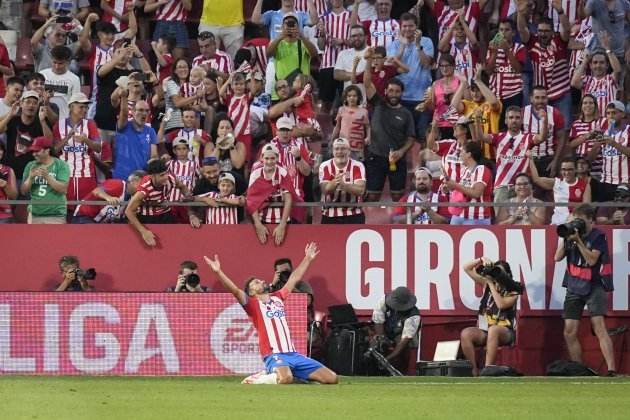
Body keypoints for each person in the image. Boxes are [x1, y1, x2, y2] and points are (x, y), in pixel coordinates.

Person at [204, 242, 338, 385]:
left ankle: (288, 375)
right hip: (274, 354)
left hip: (293, 354)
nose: (261, 281)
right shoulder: (252, 305)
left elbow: (294, 278)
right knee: (285, 379)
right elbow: (235, 290)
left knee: (332, 378)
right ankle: (257, 378)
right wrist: (218, 272)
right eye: (256, 282)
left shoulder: (278, 297)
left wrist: (307, 259)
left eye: (260, 280)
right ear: (251, 292)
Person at [554, 203, 617, 376]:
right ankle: (578, 368)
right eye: (576, 220)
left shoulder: (598, 236)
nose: (578, 224)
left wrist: (579, 241)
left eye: (581, 221)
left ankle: (611, 369)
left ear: (591, 221)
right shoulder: (572, 234)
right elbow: (557, 257)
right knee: (569, 331)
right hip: (574, 285)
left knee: (599, 327)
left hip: (594, 285)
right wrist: (565, 237)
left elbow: (591, 260)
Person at [461, 257, 522, 377]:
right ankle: (473, 371)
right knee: (466, 333)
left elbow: (501, 304)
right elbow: (466, 268)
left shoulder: (514, 290)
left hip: (505, 331)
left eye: (499, 273)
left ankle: (487, 370)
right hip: (486, 329)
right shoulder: (487, 284)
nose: (496, 277)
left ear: (507, 275)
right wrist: (481, 259)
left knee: (494, 329)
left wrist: (490, 284)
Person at [363, 69, 415, 202]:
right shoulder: (378, 104)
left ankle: (396, 223)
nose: (394, 94)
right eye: (391, 91)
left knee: (398, 196)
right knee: (372, 196)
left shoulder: (406, 113)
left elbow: (411, 138)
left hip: (397, 159)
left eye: (397, 91)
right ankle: (369, 223)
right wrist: (368, 61)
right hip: (375, 157)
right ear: (385, 91)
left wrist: (401, 152)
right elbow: (367, 83)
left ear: (402, 93)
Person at [477, 106, 546, 204]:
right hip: (502, 187)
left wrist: (544, 120)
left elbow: (542, 137)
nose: (514, 120)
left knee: (523, 219)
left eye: (517, 118)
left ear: (522, 120)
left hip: (522, 188)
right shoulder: (498, 137)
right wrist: (478, 119)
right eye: (511, 117)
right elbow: (481, 136)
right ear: (505, 120)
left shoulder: (527, 138)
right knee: (502, 219)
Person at [388, 13, 434, 141]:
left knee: (422, 134)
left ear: (416, 27)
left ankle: (422, 161)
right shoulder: (394, 44)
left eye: (411, 26)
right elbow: (392, 66)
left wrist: (418, 45)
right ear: (400, 27)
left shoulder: (426, 41)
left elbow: (426, 64)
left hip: (422, 98)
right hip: (401, 97)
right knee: (402, 136)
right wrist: (402, 45)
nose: (408, 29)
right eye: (405, 26)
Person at [52, 92, 101, 210]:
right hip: (65, 175)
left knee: (86, 209)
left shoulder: (90, 124)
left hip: (86, 174)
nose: (84, 110)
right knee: (65, 209)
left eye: (86, 107)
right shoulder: (59, 125)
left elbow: (98, 148)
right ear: (71, 107)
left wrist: (85, 140)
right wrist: (67, 138)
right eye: (81, 106)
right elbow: (54, 151)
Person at [125, 159, 190, 247]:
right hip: (147, 218)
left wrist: (187, 196)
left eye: (166, 173)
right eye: (161, 175)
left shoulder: (171, 178)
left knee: (171, 245)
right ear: (152, 176)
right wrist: (143, 231)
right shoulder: (144, 189)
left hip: (166, 214)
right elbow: (128, 211)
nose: (166, 177)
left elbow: (183, 187)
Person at [246, 144, 297, 245]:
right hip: (261, 219)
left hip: (282, 219)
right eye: (267, 158)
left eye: (272, 158)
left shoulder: (283, 173)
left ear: (277, 158)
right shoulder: (255, 174)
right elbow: (251, 201)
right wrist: (258, 224)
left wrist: (282, 225)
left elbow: (288, 199)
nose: (269, 162)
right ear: (262, 158)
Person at [0, 91, 53, 181]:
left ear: (38, 106)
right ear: (21, 103)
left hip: (32, 174)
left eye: (35, 103)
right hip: (11, 174)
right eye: (28, 102)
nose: (31, 105)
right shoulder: (13, 120)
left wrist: (43, 122)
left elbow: (49, 142)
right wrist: (10, 114)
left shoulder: (41, 120)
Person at [20, 137, 70, 224]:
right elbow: (23, 191)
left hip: (55, 214)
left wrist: (47, 177)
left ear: (47, 150)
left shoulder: (61, 165)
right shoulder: (31, 165)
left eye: (37, 151)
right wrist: (30, 178)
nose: (34, 154)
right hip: (34, 213)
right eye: (33, 151)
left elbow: (63, 189)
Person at [485, 18, 526, 126]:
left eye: (506, 30)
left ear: (513, 33)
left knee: (513, 126)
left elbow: (518, 69)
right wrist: (494, 52)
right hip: (495, 97)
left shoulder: (519, 48)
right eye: (501, 30)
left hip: (513, 95)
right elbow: (488, 71)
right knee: (496, 127)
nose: (503, 33)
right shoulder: (492, 47)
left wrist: (507, 50)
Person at [588, 101, 630, 202]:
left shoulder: (628, 131)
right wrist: (597, 144)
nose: (611, 116)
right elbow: (590, 159)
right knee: (602, 216)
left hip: (624, 182)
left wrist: (614, 143)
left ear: (623, 114)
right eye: (608, 113)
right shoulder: (605, 132)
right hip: (605, 182)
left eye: (614, 113)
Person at [529, 156, 591, 225]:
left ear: (576, 169)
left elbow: (586, 207)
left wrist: (574, 216)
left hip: (574, 224)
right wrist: (530, 160)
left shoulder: (584, 185)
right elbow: (536, 179)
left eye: (570, 169)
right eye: (564, 169)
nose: (567, 173)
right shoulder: (556, 182)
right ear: (561, 170)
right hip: (557, 223)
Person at [371, 286, 421, 371]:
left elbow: (404, 341)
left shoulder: (414, 316)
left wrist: (387, 359)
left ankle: (401, 372)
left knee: (404, 350)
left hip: (400, 334)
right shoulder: (384, 301)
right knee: (373, 340)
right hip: (385, 328)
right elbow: (378, 321)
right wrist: (382, 338)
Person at [319, 137, 367, 224]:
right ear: (332, 151)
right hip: (329, 214)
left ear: (349, 151)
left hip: (354, 214)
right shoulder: (325, 166)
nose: (340, 152)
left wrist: (344, 185)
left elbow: (360, 191)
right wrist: (336, 181)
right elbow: (325, 190)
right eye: (336, 149)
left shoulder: (358, 166)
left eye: (343, 148)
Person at [444, 141, 493, 225]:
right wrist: (449, 188)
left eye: (462, 151)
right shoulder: (465, 171)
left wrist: (455, 185)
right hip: (459, 215)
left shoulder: (482, 169)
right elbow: (463, 190)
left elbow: (476, 193)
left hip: (476, 217)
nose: (459, 155)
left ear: (469, 154)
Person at [570, 35, 621, 115]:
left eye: (601, 62)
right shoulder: (587, 80)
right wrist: (585, 60)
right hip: (590, 122)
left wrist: (608, 49)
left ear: (607, 65)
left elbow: (617, 70)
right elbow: (574, 82)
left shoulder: (610, 79)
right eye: (595, 62)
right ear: (590, 66)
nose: (598, 65)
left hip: (607, 121)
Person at [72, 170, 146, 224]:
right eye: (143, 183)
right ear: (134, 181)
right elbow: (96, 191)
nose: (144, 187)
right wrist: (108, 198)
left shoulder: (134, 197)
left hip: (100, 221)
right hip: (84, 216)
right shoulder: (118, 184)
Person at [112, 98, 158, 180]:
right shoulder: (123, 126)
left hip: (141, 178)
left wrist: (153, 162)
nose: (144, 113)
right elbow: (124, 114)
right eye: (140, 110)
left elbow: (153, 155)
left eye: (147, 111)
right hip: (122, 177)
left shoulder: (151, 131)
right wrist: (124, 96)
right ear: (132, 112)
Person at [39, 46, 82, 120]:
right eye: (54, 62)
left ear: (68, 62)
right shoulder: (42, 75)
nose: (57, 66)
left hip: (64, 118)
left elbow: (75, 103)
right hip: (43, 116)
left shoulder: (75, 79)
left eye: (60, 63)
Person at [332, 85, 370, 161]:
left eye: (354, 96)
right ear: (345, 97)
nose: (352, 98)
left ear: (359, 97)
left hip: (358, 146)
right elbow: (338, 126)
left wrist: (368, 137)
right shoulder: (341, 109)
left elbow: (367, 126)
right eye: (349, 96)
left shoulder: (364, 111)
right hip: (343, 145)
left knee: (357, 166)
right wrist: (333, 139)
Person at [0, 143, 18, 223]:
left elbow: (14, 196)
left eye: (1, 149)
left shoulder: (8, 170)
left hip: (4, 215)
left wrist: (5, 185)